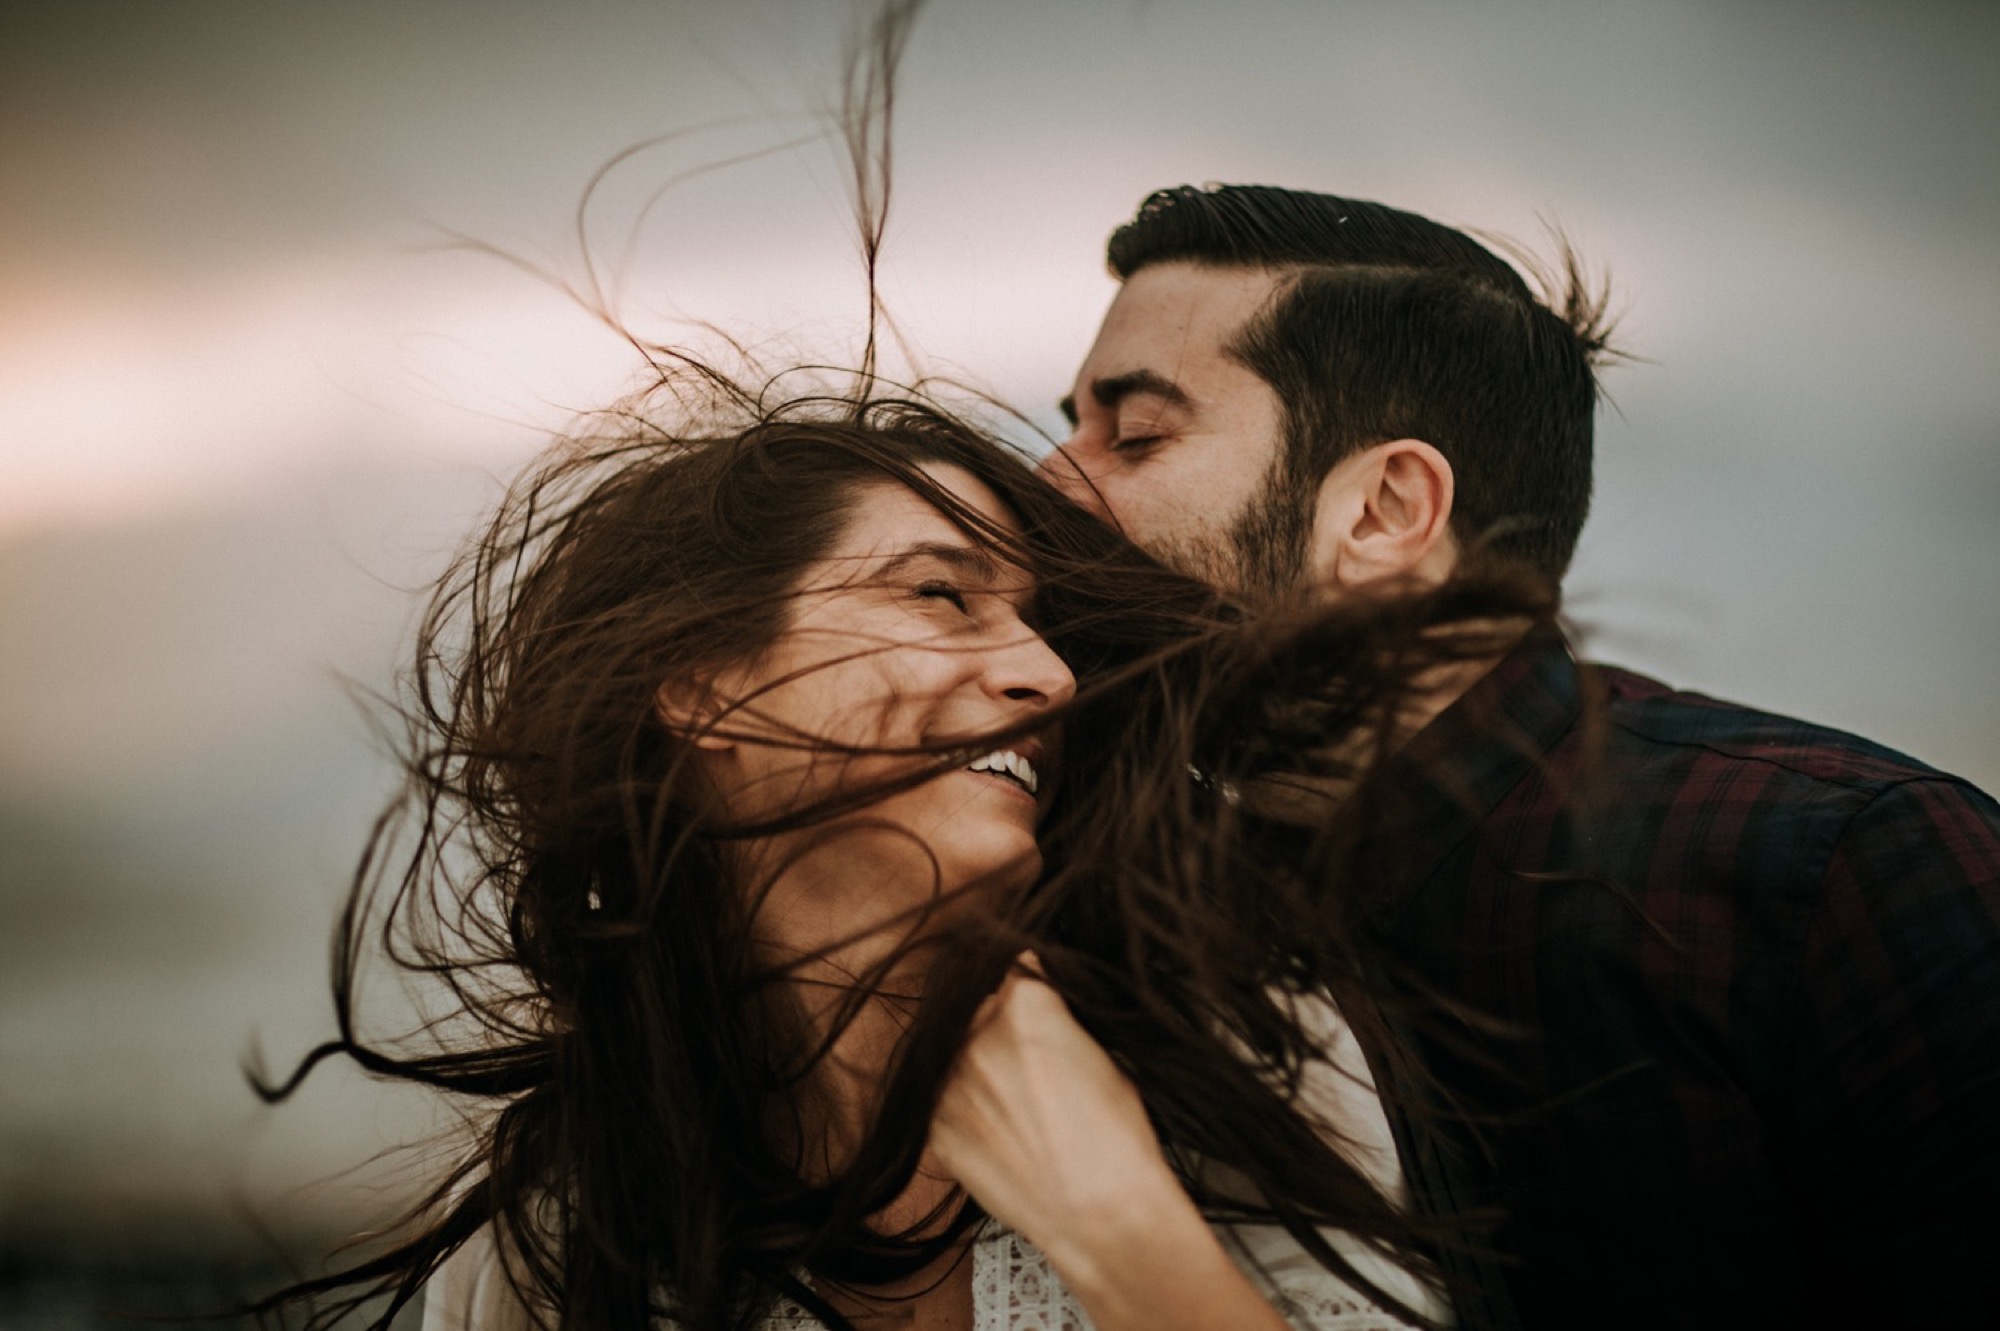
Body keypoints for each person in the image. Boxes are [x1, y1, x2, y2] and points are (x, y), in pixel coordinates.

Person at [252, 374, 1504, 1331]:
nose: (1045, 672)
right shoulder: (570, 1220)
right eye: (938, 595)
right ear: (702, 682)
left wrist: (1117, 1222)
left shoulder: (1229, 1046)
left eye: (1034, 620)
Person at [1038, 183, 2000, 1330]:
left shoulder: (1846, 870)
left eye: (1133, 432)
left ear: (1385, 507)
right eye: (1068, 425)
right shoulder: (1101, 903)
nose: (1048, 480)